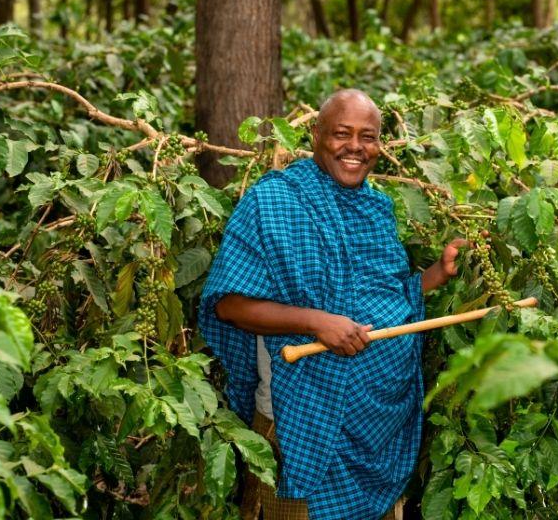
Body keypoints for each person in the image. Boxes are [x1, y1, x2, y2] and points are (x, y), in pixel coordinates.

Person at [199, 89, 468, 520]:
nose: (356, 148)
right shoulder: (274, 201)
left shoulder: (377, 207)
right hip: (302, 423)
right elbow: (229, 306)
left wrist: (437, 274)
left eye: (368, 136)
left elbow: (383, 299)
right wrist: (316, 323)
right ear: (316, 134)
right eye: (342, 134)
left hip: (380, 429)